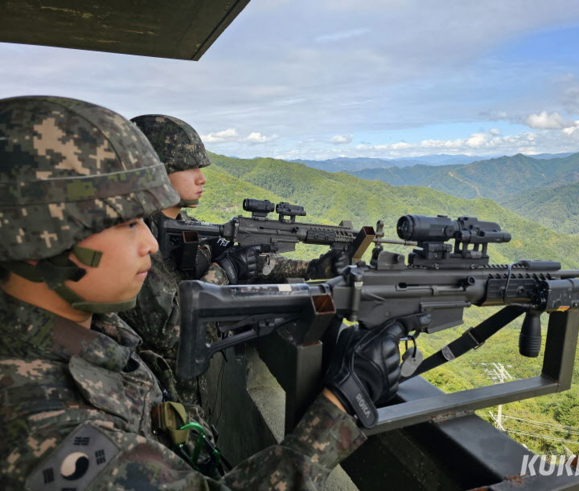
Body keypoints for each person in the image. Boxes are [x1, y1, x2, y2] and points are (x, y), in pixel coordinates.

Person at [0, 95, 411, 490]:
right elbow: (172, 328)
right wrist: (341, 402)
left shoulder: (90, 330)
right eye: (127, 224)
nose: (151, 243)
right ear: (40, 239)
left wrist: (312, 271)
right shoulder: (45, 425)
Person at [120, 114, 345, 405]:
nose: (202, 178)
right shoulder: (136, 243)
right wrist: (225, 271)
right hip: (161, 402)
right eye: (189, 168)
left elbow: (246, 261)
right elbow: (173, 334)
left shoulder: (186, 226)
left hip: (186, 400)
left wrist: (313, 267)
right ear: (154, 172)